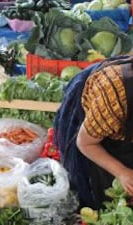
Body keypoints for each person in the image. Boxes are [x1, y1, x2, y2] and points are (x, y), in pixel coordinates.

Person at [54, 55, 133, 209]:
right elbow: (85, 143)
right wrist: (122, 173)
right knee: (95, 188)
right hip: (89, 134)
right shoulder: (114, 97)